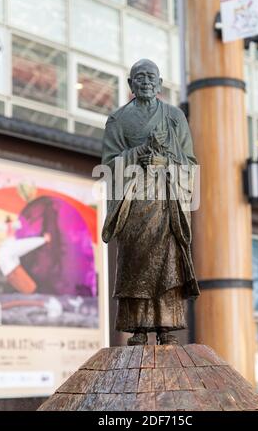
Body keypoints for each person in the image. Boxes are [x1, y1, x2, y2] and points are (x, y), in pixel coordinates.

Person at [101, 59, 200, 346]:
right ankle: (138, 328)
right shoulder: (118, 121)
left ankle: (167, 326)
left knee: (168, 262)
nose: (145, 81)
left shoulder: (174, 117)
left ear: (159, 83)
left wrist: (164, 161)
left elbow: (190, 164)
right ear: (130, 85)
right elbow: (108, 165)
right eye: (139, 77)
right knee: (135, 262)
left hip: (165, 201)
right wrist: (138, 153)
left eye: (150, 77)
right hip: (133, 202)